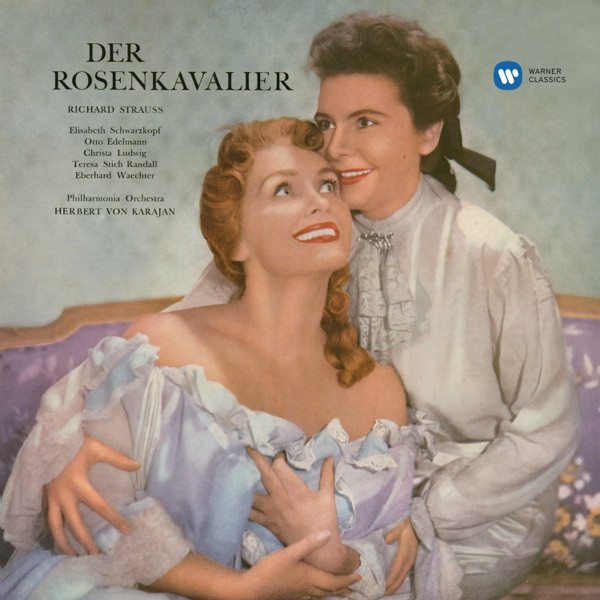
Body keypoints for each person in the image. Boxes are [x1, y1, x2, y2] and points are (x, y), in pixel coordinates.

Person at [24, 11, 580, 600]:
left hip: (474, 519)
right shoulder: (321, 224)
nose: (337, 147)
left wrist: (426, 514)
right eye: (326, 123)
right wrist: (71, 451)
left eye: (365, 122)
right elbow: (164, 346)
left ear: (428, 134)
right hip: (336, 506)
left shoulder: (492, 253)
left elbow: (546, 430)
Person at [0, 118, 458, 600]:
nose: (320, 201)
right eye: (284, 189)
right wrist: (237, 589)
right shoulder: (162, 349)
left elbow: (390, 563)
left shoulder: (378, 387)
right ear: (236, 238)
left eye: (328, 185)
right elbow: (95, 519)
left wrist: (328, 550)